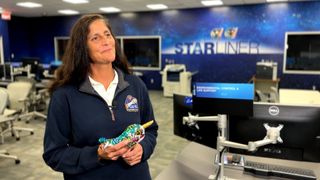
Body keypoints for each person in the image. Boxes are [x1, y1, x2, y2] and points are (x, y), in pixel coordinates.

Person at [43, 14, 158, 180]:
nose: (106, 42)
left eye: (107, 35)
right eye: (95, 38)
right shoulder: (64, 95)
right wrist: (97, 154)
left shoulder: (135, 85)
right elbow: (54, 154)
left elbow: (150, 129)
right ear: (82, 48)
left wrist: (143, 149)